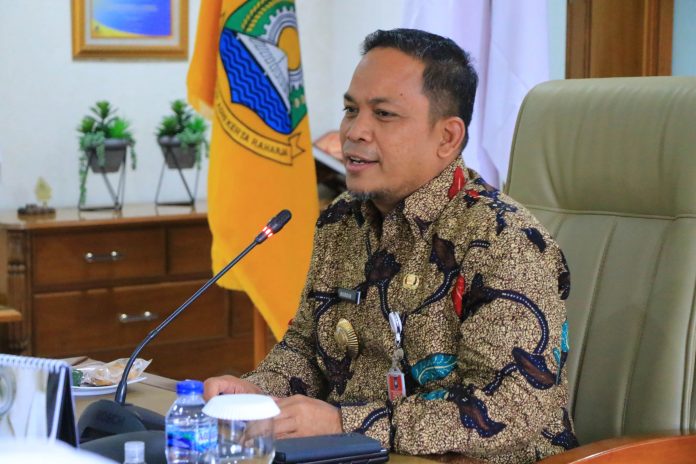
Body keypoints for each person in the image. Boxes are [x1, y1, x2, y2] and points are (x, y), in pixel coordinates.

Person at [204, 28, 577, 463]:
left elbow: (511, 407)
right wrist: (256, 392)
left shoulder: (502, 239)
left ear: (447, 137)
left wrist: (344, 424)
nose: (354, 131)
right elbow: (307, 348)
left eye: (383, 114)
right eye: (350, 110)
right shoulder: (342, 218)